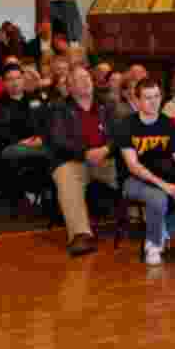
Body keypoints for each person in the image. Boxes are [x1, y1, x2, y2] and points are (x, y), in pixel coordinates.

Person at [116, 78, 175, 265]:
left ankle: (160, 234)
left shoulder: (169, 124)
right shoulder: (127, 125)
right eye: (147, 98)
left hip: (166, 179)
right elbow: (133, 166)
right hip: (134, 181)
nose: (153, 101)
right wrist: (165, 186)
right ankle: (153, 246)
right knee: (158, 198)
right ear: (137, 101)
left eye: (156, 96)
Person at [46, 66, 118, 257]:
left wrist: (106, 149)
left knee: (132, 167)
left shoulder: (107, 105)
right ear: (69, 87)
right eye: (78, 80)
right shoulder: (58, 108)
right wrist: (85, 153)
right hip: (73, 160)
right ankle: (80, 235)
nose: (85, 82)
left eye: (87, 77)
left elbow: (120, 134)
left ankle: (145, 219)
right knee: (66, 177)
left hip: (106, 158)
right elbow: (57, 140)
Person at [0, 63, 50, 204]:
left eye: (18, 78)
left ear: (23, 79)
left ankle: (41, 191)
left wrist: (41, 138)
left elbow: (47, 124)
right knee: (24, 152)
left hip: (38, 144)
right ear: (4, 83)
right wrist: (20, 142)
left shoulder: (36, 99)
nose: (14, 83)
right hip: (10, 147)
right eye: (10, 79)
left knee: (52, 149)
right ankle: (30, 189)